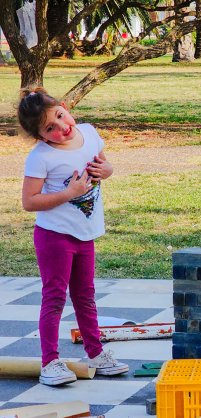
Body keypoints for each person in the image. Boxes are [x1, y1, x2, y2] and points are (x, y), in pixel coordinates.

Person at [17, 88, 129, 386]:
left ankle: (96, 353)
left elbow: (105, 165)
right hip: (55, 236)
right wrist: (69, 193)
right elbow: (29, 202)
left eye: (59, 116)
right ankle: (50, 361)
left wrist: (108, 170)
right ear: (40, 137)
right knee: (54, 298)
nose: (61, 128)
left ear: (64, 107)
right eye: (49, 129)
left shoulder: (89, 134)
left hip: (84, 234)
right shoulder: (41, 157)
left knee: (85, 296)